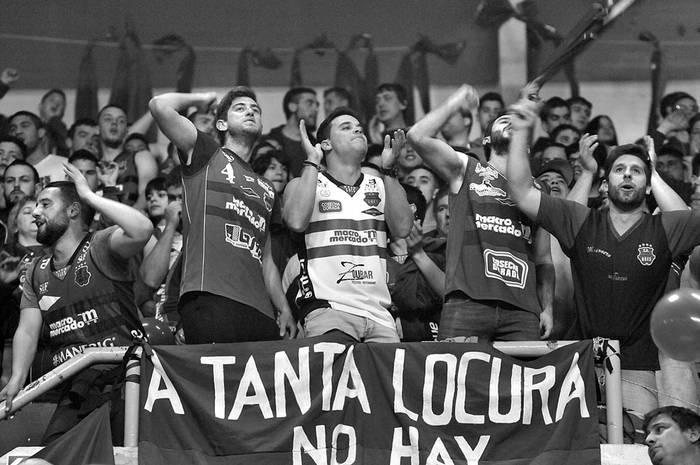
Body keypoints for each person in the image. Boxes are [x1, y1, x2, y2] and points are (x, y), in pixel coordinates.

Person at [506, 96, 700, 418]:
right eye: (619, 170)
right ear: (605, 184)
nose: (627, 176)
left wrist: (653, 173)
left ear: (647, 184)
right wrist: (521, 131)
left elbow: (685, 216)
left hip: (638, 369)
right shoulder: (582, 221)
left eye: (636, 172)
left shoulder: (663, 228)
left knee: (636, 448)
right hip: (581, 367)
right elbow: (521, 193)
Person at [0, 164, 153, 444]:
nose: (35, 213)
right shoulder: (36, 270)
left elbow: (142, 229)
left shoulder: (101, 245)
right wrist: (17, 379)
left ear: (72, 211)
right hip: (75, 385)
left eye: (45, 204)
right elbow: (27, 330)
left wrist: (89, 195)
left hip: (126, 379)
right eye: (35, 206)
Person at [407, 84, 554, 342]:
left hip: (523, 309)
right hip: (467, 303)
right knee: (454, 381)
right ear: (486, 140)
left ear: (527, 145)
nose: (510, 122)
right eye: (503, 120)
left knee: (519, 383)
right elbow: (417, 136)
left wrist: (548, 307)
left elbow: (544, 260)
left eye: (516, 122)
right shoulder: (467, 170)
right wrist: (456, 100)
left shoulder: (538, 191)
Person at [149, 87, 296, 343]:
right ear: (221, 122)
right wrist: (201, 99)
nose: (250, 110)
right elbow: (159, 106)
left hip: (259, 310)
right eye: (240, 108)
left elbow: (267, 258)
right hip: (210, 296)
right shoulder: (206, 153)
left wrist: (283, 308)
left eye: (255, 109)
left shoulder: (267, 188)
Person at [284, 108, 413, 342]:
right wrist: (312, 162)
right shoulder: (305, 182)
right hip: (329, 310)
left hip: (380, 315)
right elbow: (295, 220)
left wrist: (389, 171)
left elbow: (403, 228)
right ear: (325, 144)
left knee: (384, 380)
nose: (357, 130)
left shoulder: (381, 184)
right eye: (346, 127)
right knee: (335, 380)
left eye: (359, 128)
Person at [96, 104, 158, 209]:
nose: (114, 123)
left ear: (126, 131)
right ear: (97, 129)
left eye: (121, 121)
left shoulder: (141, 157)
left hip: (131, 222)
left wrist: (126, 222)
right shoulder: (91, 166)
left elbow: (147, 192)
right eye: (108, 119)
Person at [260, 87, 319, 178]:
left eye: (317, 105)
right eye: (309, 103)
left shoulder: (317, 147)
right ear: (292, 107)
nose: (316, 109)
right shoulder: (267, 143)